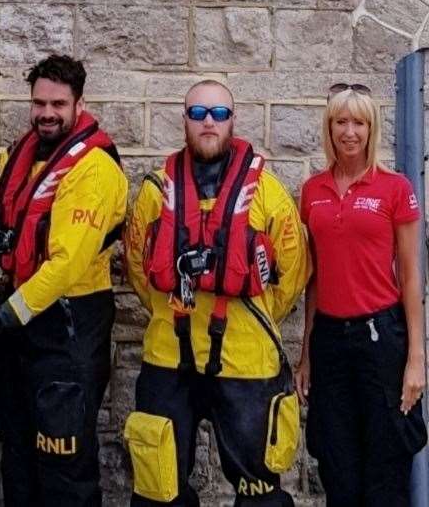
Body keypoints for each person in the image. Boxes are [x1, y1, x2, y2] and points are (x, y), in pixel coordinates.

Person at [0, 54, 128, 505]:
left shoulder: (93, 170)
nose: (47, 113)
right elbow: (22, 239)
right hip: (23, 333)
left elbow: (62, 267)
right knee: (19, 461)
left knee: (64, 470)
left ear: (79, 104)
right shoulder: (24, 157)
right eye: (39, 102)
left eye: (58, 104)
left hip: (69, 331)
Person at [124, 80, 309, 506]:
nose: (209, 122)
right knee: (158, 489)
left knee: (260, 491)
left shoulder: (268, 193)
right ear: (184, 119)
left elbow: (292, 271)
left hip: (247, 361)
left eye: (220, 113)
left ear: (233, 120)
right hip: (168, 357)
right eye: (199, 113)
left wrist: (251, 316)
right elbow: (137, 266)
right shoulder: (155, 192)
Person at [294, 84, 427, 506]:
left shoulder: (394, 187)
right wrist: (306, 354)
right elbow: (314, 278)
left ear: (371, 129)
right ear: (329, 128)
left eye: (359, 122)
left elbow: (410, 277)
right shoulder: (312, 190)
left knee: (386, 468)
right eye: (341, 122)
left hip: (381, 338)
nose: (349, 131)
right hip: (331, 342)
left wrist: (416, 360)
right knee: (337, 466)